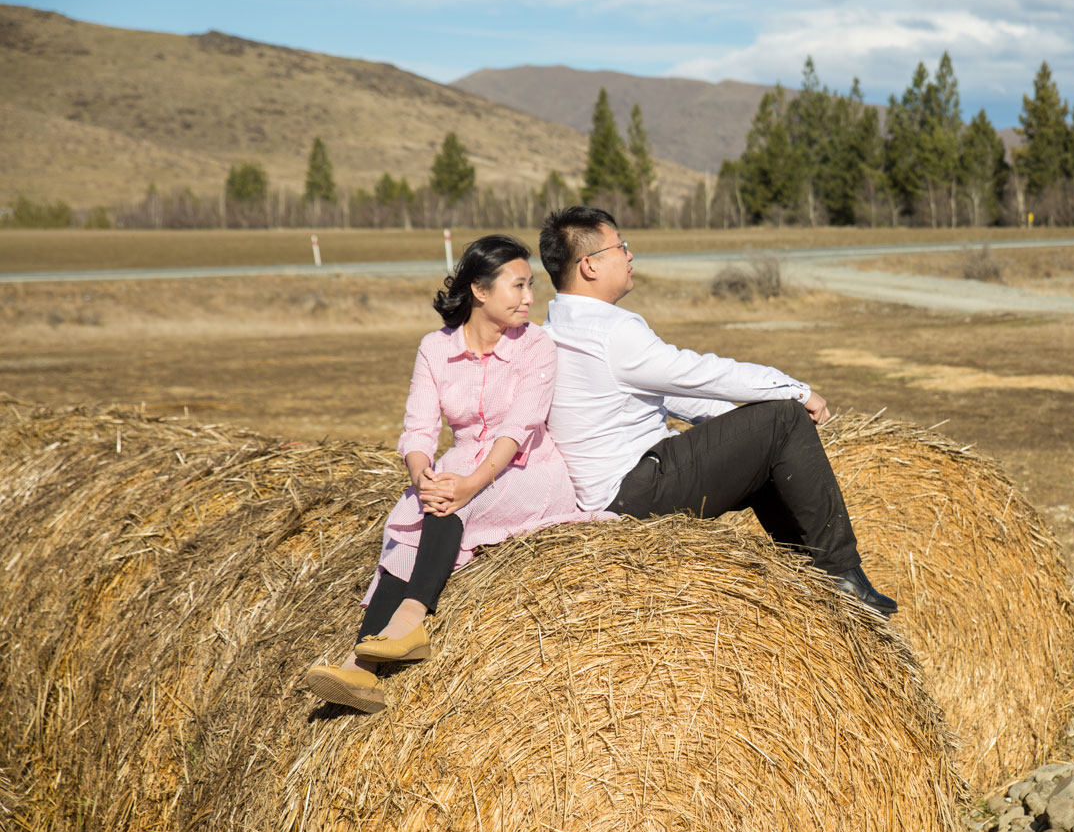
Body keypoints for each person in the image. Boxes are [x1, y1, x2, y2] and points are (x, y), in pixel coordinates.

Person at [537, 205, 897, 617]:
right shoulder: (611, 331)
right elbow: (698, 373)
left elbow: (670, 394)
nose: (630, 255)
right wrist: (796, 391)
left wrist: (738, 428)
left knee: (770, 441)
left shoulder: (555, 331)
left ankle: (807, 579)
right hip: (635, 490)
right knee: (784, 418)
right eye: (621, 246)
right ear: (589, 266)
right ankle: (840, 576)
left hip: (615, 493)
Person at [304, 234, 602, 712]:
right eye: (519, 286)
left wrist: (467, 486)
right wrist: (422, 475)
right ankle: (361, 670)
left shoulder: (537, 346)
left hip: (532, 471)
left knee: (454, 502)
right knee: (410, 516)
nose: (530, 298)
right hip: (462, 466)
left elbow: (518, 429)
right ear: (480, 291)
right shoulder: (434, 349)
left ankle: (410, 621)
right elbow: (419, 430)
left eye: (531, 286)